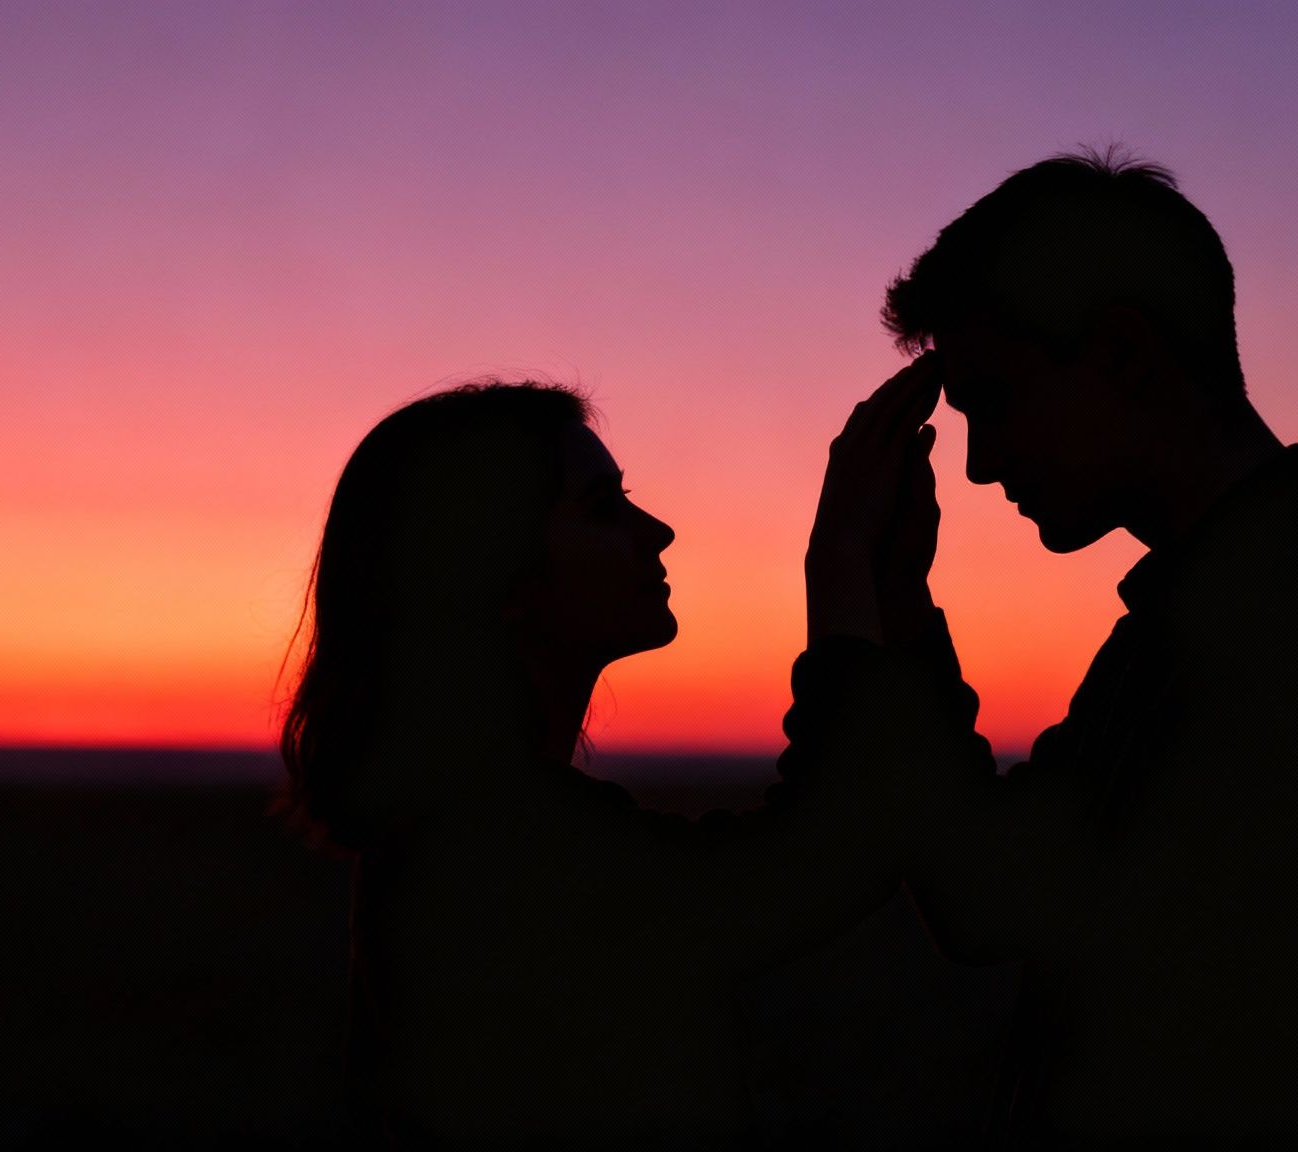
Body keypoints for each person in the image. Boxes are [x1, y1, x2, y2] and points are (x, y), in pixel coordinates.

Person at [858, 148, 1298, 1146]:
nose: (981, 465)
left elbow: (992, 900)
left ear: (1124, 355)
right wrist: (895, 599)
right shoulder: (1228, 608)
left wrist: (881, 601)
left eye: (995, 400)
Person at [278, 380, 957, 1147]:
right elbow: (820, 858)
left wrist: (885, 584)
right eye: (603, 508)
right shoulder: (494, 852)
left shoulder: (458, 824)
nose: (657, 531)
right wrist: (842, 559)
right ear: (489, 567)